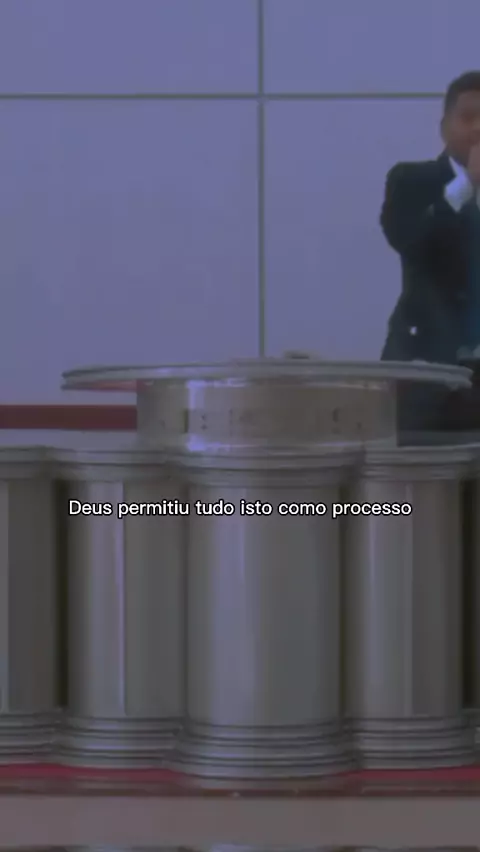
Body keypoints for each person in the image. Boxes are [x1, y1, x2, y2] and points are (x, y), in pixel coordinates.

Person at [380, 70, 480, 432]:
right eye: (468, 117)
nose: (478, 128)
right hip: (428, 370)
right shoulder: (411, 180)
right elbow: (408, 239)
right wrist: (466, 185)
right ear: (444, 127)